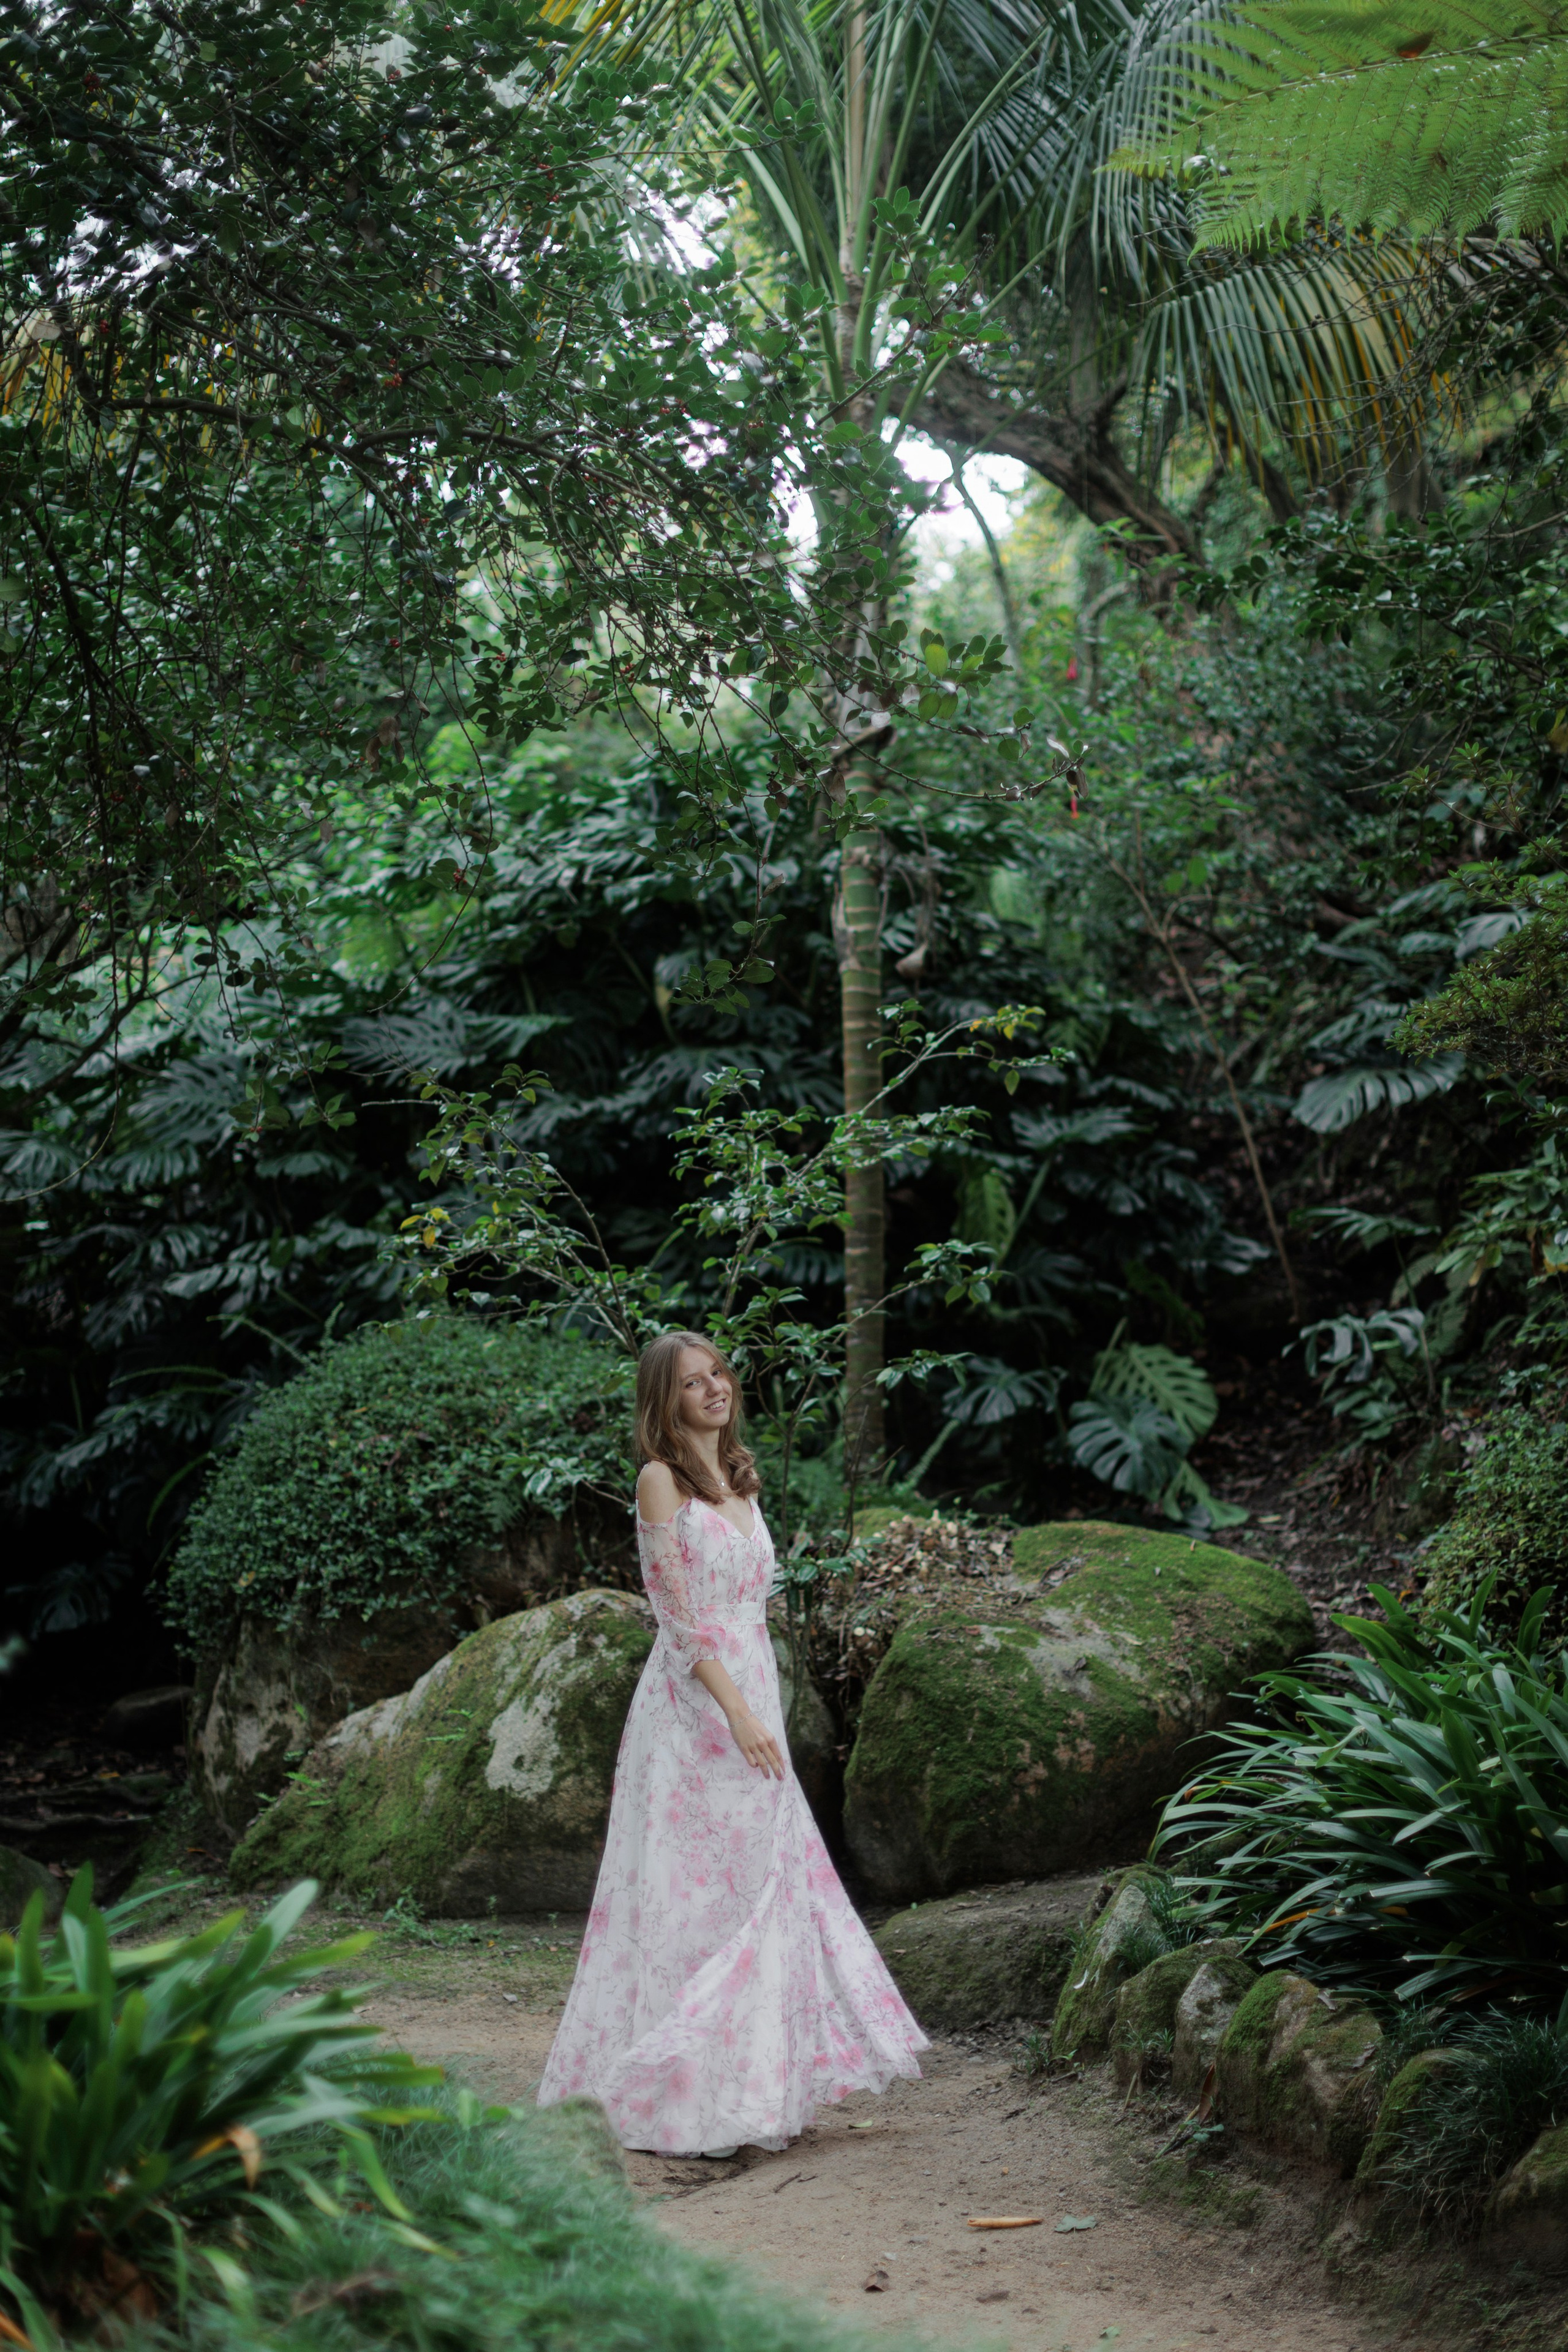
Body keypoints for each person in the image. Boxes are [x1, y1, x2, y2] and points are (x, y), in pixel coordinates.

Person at [536, 1329, 927, 2157]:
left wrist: (763, 1706)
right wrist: (739, 1714)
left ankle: (749, 2090)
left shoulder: (743, 1481)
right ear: (664, 1403)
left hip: (752, 1695)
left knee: (765, 1883)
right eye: (690, 1383)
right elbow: (677, 1622)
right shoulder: (659, 1483)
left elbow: (755, 1607)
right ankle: (679, 2099)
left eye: (717, 1373)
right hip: (693, 1712)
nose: (713, 1388)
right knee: (697, 1895)